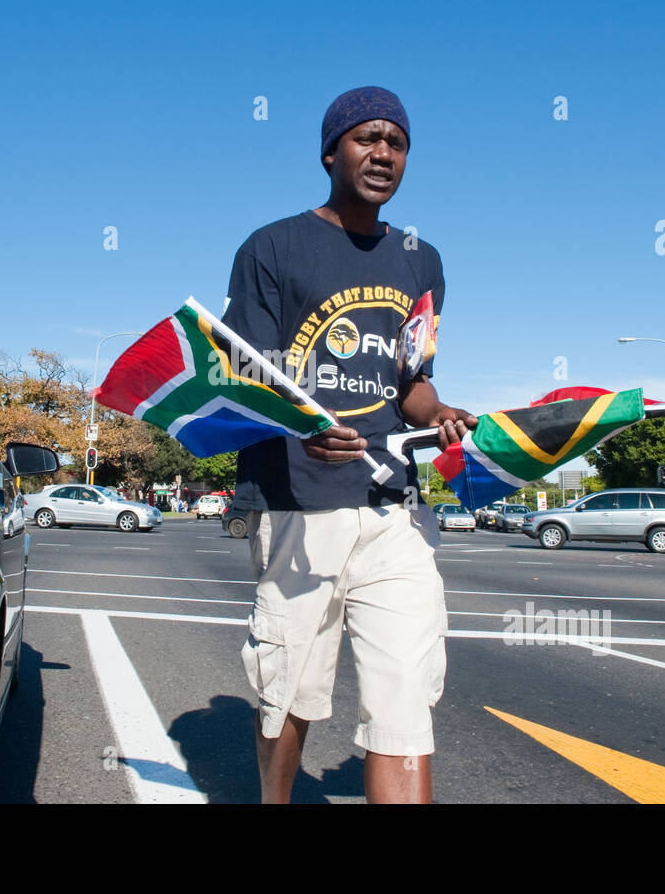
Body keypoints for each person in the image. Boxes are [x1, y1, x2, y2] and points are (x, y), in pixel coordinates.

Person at [221, 85, 477, 803]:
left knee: (404, 699)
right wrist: (305, 426)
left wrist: (442, 411)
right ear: (331, 149)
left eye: (396, 143)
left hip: (394, 504)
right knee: (289, 691)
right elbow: (250, 378)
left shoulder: (421, 261)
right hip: (299, 506)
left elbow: (412, 382)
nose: (382, 154)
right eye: (367, 139)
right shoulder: (271, 248)